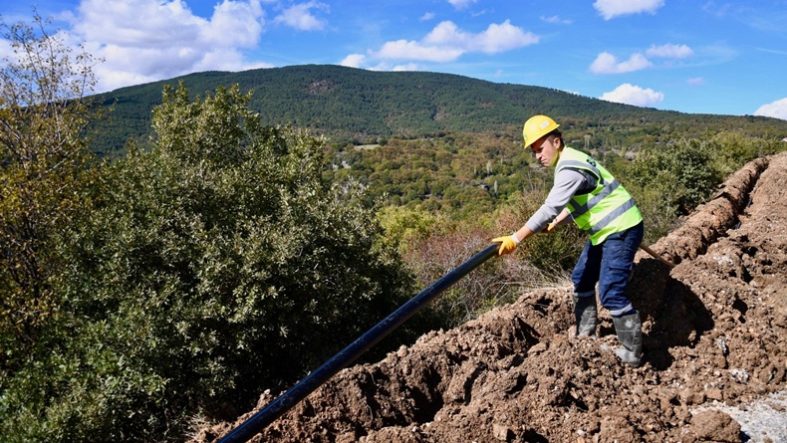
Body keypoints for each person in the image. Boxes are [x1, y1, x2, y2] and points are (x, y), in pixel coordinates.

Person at [493, 114, 645, 367]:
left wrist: (515, 239)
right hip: (605, 231)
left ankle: (633, 353)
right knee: (582, 280)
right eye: (533, 152)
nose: (538, 156)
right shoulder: (572, 159)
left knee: (610, 293)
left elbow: (550, 207)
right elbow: (579, 200)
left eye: (540, 149)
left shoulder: (569, 168)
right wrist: (558, 222)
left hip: (621, 229)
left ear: (555, 140)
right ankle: (585, 337)